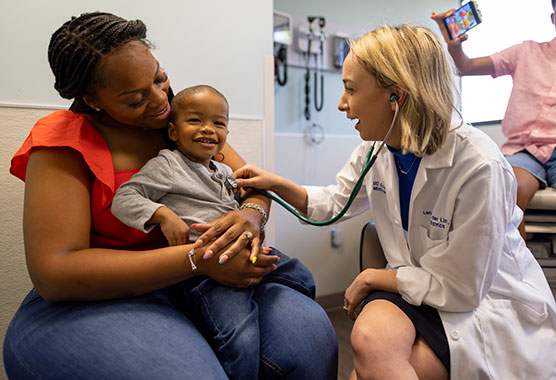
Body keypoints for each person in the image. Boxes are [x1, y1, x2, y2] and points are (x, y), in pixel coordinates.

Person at [3, 11, 338, 380]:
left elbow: (249, 185)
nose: (160, 99)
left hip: (199, 281)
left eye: (160, 78)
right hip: (100, 298)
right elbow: (56, 273)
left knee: (311, 337)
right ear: (93, 99)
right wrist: (196, 259)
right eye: (135, 100)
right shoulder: (64, 140)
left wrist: (251, 216)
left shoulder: (181, 123)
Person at [234, 25, 556, 380]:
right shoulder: (378, 150)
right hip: (418, 289)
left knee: (366, 370)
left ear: (395, 96)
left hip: (483, 302)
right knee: (369, 339)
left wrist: (378, 277)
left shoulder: (479, 165)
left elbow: (463, 290)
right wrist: (275, 185)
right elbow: (334, 201)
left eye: (351, 89)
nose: (342, 104)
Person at [111, 84, 317, 379]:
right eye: (195, 121)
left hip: (248, 253)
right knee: (240, 340)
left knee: (302, 277)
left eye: (218, 123)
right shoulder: (169, 165)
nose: (208, 129)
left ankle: (252, 291)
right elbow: (124, 198)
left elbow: (254, 201)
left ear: (226, 135)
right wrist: (162, 214)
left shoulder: (222, 172)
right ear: (172, 132)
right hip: (210, 267)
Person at [431, 1, 556, 241]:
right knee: (509, 188)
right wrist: (453, 45)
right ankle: (519, 272)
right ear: (553, 19)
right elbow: (464, 67)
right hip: (524, 150)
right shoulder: (526, 53)